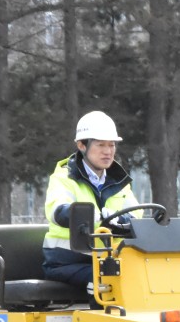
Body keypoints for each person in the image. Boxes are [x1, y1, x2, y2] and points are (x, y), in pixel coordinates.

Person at [42, 111, 140, 287]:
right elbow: (58, 211)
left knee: (144, 276)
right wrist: (85, 215)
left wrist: (119, 220)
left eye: (111, 145)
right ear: (81, 145)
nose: (108, 151)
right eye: (101, 145)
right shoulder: (64, 177)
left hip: (108, 260)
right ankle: (104, 314)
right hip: (67, 261)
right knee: (105, 280)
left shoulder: (119, 181)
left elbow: (136, 217)